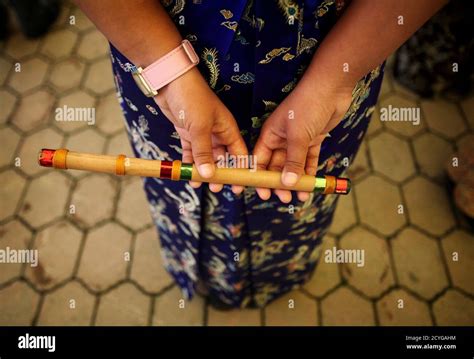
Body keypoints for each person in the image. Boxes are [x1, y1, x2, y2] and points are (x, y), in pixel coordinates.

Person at [74, 0, 447, 309]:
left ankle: (280, 276)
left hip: (339, 51)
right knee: (178, 191)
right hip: (155, 49)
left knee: (297, 200)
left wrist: (332, 81)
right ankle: (198, 275)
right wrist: (169, 73)